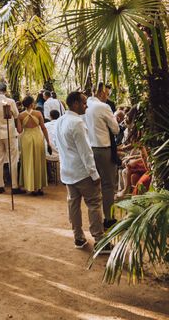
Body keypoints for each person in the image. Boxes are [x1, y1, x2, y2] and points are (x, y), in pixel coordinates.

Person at [54, 92, 109, 253]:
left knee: (74, 204)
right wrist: (94, 174)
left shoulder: (59, 121)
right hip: (82, 172)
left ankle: (78, 237)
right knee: (94, 203)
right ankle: (99, 240)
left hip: (67, 172)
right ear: (76, 104)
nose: (86, 105)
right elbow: (86, 152)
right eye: (84, 103)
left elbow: (59, 146)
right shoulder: (77, 122)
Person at [85, 83, 120, 228]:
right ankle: (109, 217)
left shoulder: (86, 104)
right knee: (108, 185)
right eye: (107, 93)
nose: (108, 96)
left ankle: (96, 217)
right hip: (103, 149)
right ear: (101, 92)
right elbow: (116, 129)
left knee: (94, 184)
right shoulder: (103, 107)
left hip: (90, 148)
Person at [0, 83, 22, 194]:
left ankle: (0, 185)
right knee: (13, 158)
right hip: (9, 132)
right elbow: (16, 115)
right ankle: (14, 186)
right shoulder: (10, 102)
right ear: (5, 91)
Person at [18, 96, 51, 195]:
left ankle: (30, 187)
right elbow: (43, 128)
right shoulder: (38, 113)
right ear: (32, 104)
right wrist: (48, 142)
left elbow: (19, 131)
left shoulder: (20, 115)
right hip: (37, 138)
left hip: (26, 139)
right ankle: (40, 188)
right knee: (39, 161)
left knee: (28, 162)